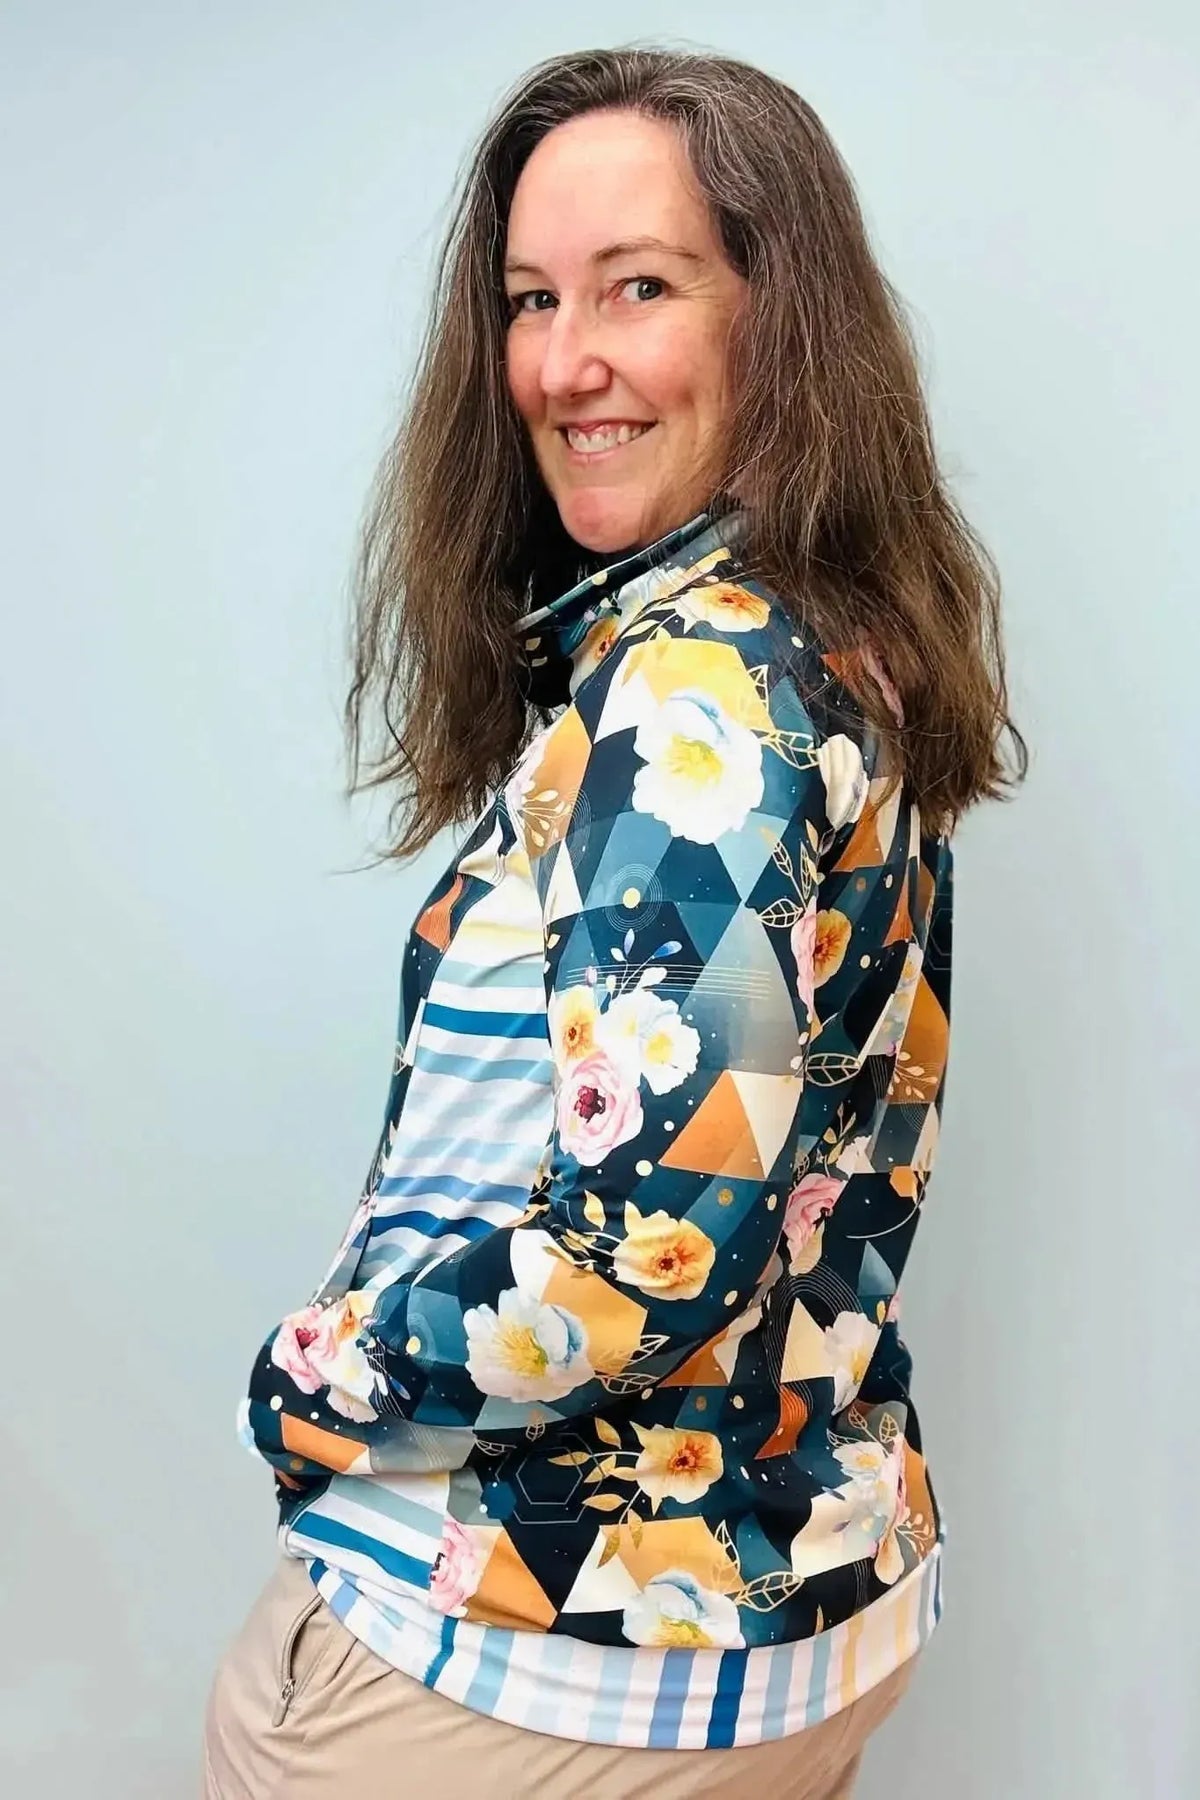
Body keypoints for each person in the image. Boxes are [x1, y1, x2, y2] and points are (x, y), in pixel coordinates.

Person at [203, 43, 1023, 1800]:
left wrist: (317, 1372)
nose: (563, 361)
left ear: (778, 319)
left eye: (639, 287)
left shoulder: (695, 702)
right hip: (791, 1605)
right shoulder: (826, 645)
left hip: (541, 1653)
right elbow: (755, 1171)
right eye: (531, 298)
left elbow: (647, 1245)